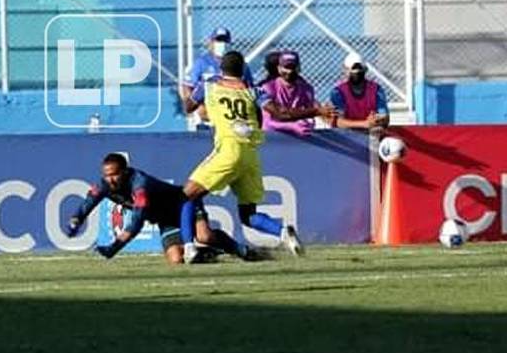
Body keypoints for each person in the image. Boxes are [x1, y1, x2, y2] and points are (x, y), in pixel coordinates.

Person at [180, 50, 305, 258]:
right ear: (243, 69)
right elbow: (275, 115)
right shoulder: (253, 91)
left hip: (228, 150)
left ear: (221, 68)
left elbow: (188, 107)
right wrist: (315, 111)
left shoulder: (209, 85)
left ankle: (189, 248)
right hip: (250, 154)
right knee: (248, 215)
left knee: (186, 196)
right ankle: (283, 232)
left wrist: (207, 104)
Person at [63, 153, 256, 265]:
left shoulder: (140, 184)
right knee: (176, 260)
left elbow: (138, 221)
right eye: (106, 175)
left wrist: (115, 247)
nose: (110, 179)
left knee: (205, 236)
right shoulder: (104, 185)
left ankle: (241, 250)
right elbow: (87, 203)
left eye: (114, 174)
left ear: (125, 171)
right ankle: (208, 254)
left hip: (183, 204)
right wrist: (75, 222)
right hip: (165, 219)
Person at [180, 27, 254, 122]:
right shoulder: (201, 63)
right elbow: (187, 86)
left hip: (234, 116)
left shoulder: (240, 64)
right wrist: (198, 106)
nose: (222, 44)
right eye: (219, 40)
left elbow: (250, 88)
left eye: (225, 40)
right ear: (211, 42)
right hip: (208, 116)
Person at [259, 50, 334, 137]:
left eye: (293, 67)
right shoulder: (267, 88)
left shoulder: (307, 89)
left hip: (298, 137)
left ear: (299, 68)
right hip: (272, 137)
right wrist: (292, 126)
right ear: (279, 68)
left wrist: (307, 123)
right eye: (286, 67)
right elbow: (274, 118)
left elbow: (309, 117)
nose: (290, 71)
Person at [330, 52, 390, 131]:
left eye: (358, 72)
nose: (356, 75)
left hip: (370, 132)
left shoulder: (376, 90)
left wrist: (377, 120)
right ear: (345, 70)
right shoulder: (338, 92)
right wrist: (364, 124)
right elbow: (338, 122)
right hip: (347, 134)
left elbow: (385, 117)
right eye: (352, 72)